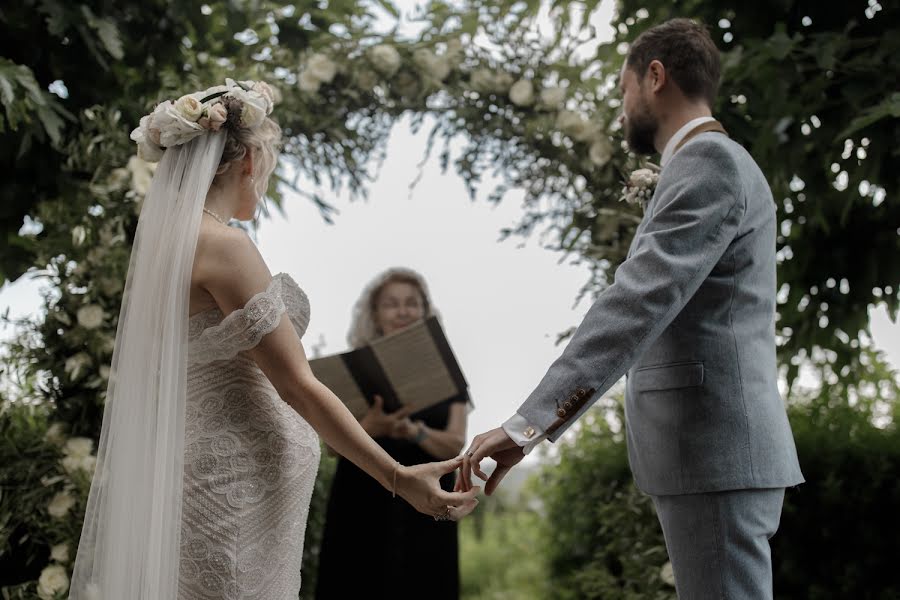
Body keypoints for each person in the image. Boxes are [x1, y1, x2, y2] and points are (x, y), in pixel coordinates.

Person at [68, 80, 478, 600]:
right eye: (268, 164)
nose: (265, 180)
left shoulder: (162, 252)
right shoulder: (225, 246)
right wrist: (398, 477)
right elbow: (297, 385)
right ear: (248, 161)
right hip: (233, 491)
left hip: (204, 478)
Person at [459, 18, 804, 600]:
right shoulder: (709, 164)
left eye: (623, 92)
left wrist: (528, 425)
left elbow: (638, 301)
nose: (622, 111)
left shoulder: (708, 163)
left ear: (655, 77)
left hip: (715, 451)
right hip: (711, 456)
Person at [315, 268, 470, 600]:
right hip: (360, 496)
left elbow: (456, 441)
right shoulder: (356, 369)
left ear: (424, 311)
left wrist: (412, 431)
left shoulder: (445, 370)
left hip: (427, 502)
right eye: (392, 304)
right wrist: (370, 427)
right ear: (375, 314)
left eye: (412, 303)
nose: (402, 311)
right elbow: (331, 447)